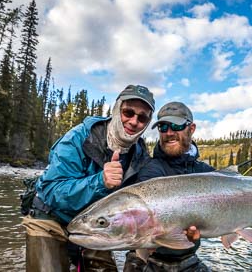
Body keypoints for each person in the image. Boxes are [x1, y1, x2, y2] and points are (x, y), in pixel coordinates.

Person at [22, 85, 155, 272]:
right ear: (117, 109)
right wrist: (100, 182)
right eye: (128, 112)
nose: (134, 121)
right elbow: (52, 190)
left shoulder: (140, 155)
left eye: (142, 118)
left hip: (97, 225)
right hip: (50, 218)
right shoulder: (78, 137)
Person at [124, 101, 215, 272]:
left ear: (192, 128)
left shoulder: (207, 172)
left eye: (176, 126)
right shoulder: (150, 171)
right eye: (163, 127)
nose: (169, 133)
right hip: (147, 258)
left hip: (187, 258)